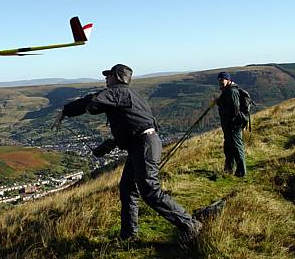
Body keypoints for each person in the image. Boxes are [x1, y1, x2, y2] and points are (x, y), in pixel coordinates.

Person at [52, 64, 202, 242]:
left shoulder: (118, 92)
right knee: (128, 189)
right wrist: (112, 143)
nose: (106, 79)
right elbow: (132, 124)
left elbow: (92, 101)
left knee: (150, 191)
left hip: (143, 145)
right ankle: (129, 235)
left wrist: (66, 111)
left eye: (108, 76)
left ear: (117, 78)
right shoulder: (129, 95)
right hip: (142, 144)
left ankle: (191, 225)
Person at [215, 71, 247, 177]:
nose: (220, 82)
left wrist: (231, 123)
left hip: (233, 126)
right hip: (229, 126)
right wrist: (220, 103)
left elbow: (235, 110)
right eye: (219, 80)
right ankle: (228, 170)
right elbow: (227, 106)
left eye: (222, 80)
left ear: (228, 80)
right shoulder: (227, 91)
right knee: (228, 149)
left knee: (237, 148)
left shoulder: (232, 92)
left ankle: (242, 172)